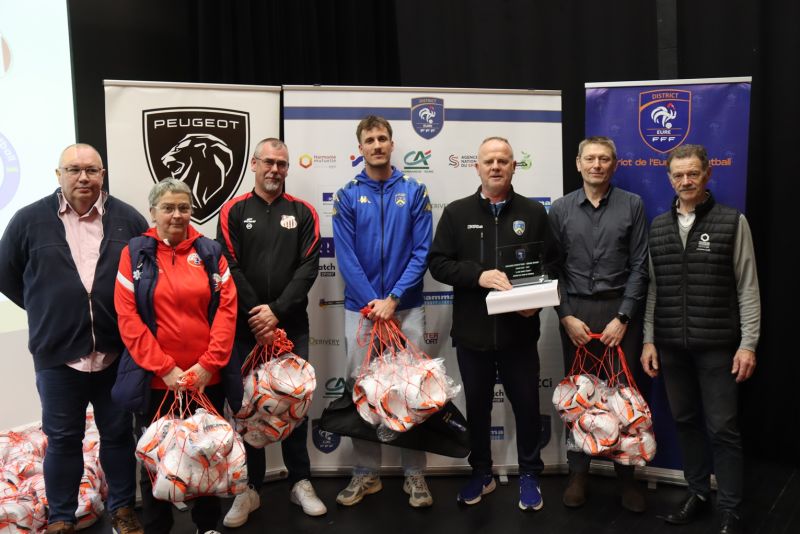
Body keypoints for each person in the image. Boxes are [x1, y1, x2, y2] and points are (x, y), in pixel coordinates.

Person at [0, 144, 146, 534]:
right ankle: (62, 517)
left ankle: (122, 509)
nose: (83, 178)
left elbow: (146, 275)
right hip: (58, 355)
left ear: (102, 175)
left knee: (117, 435)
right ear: (58, 175)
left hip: (116, 353)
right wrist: (47, 308)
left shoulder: (128, 219)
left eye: (92, 170)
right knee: (63, 439)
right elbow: (7, 274)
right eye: (74, 170)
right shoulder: (28, 220)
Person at [640, 144, 759, 534]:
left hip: (718, 347)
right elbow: (654, 290)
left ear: (707, 174)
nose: (686, 181)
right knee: (685, 421)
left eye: (693, 173)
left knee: (723, 428)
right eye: (678, 175)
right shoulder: (658, 226)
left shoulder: (732, 221)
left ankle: (730, 507)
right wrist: (649, 340)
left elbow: (747, 287)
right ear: (669, 178)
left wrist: (748, 344)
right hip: (671, 346)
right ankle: (697, 492)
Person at [428, 136, 550, 511]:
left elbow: (551, 263)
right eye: (489, 161)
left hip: (519, 335)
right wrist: (477, 276)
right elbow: (438, 263)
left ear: (514, 166)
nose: (496, 166)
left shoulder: (534, 212)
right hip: (473, 335)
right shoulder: (456, 213)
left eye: (503, 160)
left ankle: (529, 474)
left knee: (527, 407)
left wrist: (535, 302)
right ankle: (481, 472)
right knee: (478, 410)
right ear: (477, 167)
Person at [114, 178, 238, 534]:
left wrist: (207, 365)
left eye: (184, 207)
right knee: (156, 458)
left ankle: (207, 526)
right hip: (156, 382)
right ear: (153, 212)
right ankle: (158, 527)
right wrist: (165, 368)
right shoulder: (134, 253)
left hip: (206, 380)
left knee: (207, 454)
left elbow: (227, 311)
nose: (177, 215)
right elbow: (127, 317)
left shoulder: (210, 252)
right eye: (168, 208)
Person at [216, 137, 326, 525]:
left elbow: (308, 268)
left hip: (289, 325)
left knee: (294, 403)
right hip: (245, 328)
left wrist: (276, 313)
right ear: (254, 164)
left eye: (282, 164)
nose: (275, 170)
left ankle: (300, 481)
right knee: (247, 408)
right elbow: (228, 265)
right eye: (269, 162)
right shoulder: (232, 210)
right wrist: (258, 316)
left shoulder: (303, 212)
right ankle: (250, 489)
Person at [332, 115, 433, 507]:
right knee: (362, 391)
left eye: (382, 138)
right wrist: (374, 303)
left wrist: (393, 298)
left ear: (392, 144)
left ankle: (414, 474)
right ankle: (366, 472)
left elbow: (421, 251)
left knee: (412, 390)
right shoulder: (346, 195)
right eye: (369, 140)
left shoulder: (415, 191)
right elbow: (346, 256)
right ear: (360, 148)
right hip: (362, 311)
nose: (376, 145)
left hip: (405, 308)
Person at [548, 136, 649, 512]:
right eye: (590, 158)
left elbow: (640, 265)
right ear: (578, 163)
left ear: (614, 164)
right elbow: (552, 268)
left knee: (623, 396)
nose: (596, 165)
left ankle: (627, 478)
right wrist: (565, 315)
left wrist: (623, 317)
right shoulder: (560, 209)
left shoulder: (632, 205)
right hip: (575, 313)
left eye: (604, 159)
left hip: (619, 312)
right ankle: (579, 474)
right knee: (579, 396)